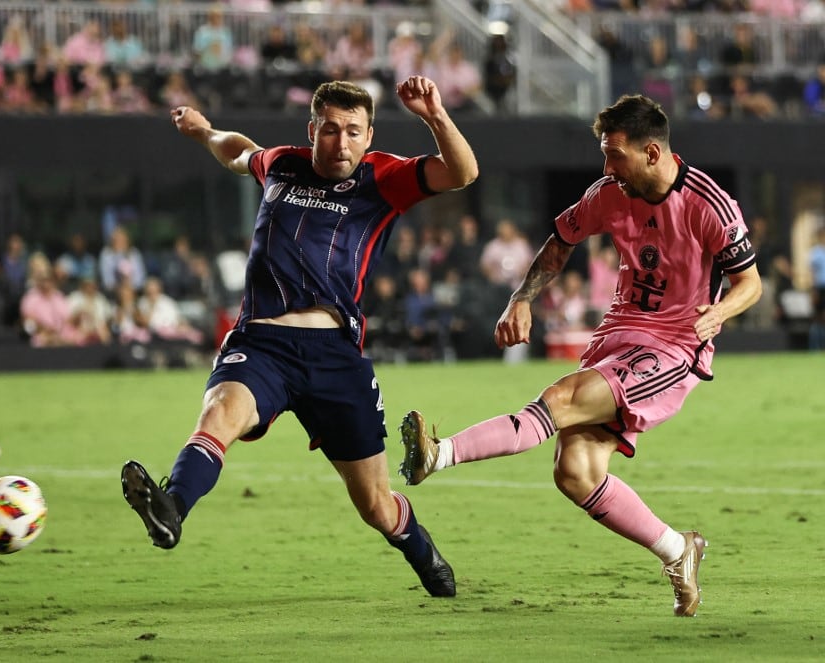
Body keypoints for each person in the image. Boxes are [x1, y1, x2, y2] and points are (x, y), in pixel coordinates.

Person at [398, 94, 762, 616]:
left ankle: (440, 453)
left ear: (653, 153)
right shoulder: (610, 193)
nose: (607, 166)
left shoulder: (709, 204)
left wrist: (720, 312)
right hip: (617, 335)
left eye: (616, 154)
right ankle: (678, 550)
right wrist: (521, 298)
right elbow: (560, 240)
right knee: (575, 472)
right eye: (604, 153)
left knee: (562, 398)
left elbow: (752, 283)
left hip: (673, 346)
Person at [120, 77, 478, 597]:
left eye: (354, 132)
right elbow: (238, 152)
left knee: (376, 505)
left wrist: (435, 115)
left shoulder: (384, 178)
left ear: (368, 135)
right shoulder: (282, 164)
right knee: (219, 414)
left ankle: (421, 549)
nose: (341, 142)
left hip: (335, 357)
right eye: (330, 130)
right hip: (261, 344)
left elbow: (464, 172)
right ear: (312, 130)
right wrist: (203, 133)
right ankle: (171, 508)